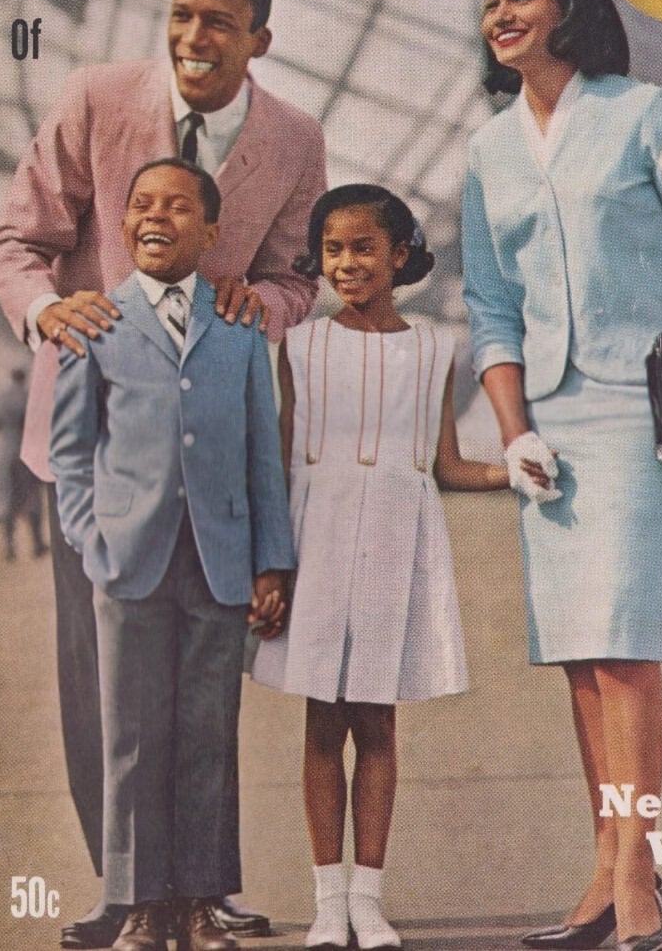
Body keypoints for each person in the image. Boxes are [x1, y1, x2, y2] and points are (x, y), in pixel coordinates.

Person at [0, 0, 325, 948]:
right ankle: (124, 887)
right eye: (182, 15)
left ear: (258, 37)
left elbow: (298, 280)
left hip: (216, 456)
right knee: (105, 683)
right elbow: (17, 243)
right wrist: (54, 312)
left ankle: (201, 888)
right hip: (97, 443)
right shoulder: (94, 100)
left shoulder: (296, 139)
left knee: (201, 692)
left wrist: (255, 301)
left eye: (219, 22)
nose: (193, 37)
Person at [460, 0, 662, 951]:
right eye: (492, 1)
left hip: (635, 405)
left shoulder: (643, 117)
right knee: (580, 658)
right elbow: (488, 307)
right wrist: (514, 432)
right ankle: (603, 871)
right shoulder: (488, 150)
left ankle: (636, 882)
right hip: (550, 423)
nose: (501, 15)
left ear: (567, 8)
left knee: (624, 646)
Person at [253, 184, 509, 951]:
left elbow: (448, 465)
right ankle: (327, 900)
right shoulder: (299, 344)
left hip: (400, 534)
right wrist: (272, 567)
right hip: (318, 535)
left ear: (401, 257)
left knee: (379, 721)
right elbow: (278, 457)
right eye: (333, 249)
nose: (347, 263)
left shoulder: (436, 345)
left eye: (365, 248)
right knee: (322, 723)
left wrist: (517, 471)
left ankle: (370, 897)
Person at [50, 158, 296, 951]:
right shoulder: (95, 322)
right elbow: (71, 454)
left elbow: (265, 453)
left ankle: (198, 898)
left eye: (179, 207)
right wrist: (93, 540)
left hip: (220, 562)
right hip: (128, 561)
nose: (157, 217)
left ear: (213, 232)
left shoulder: (240, 329)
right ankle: (138, 903)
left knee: (206, 733)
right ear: (123, 226)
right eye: (142, 205)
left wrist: (271, 561)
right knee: (130, 735)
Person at [0, 365, 48, 560]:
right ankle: (37, 544)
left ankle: (9, 547)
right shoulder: (30, 397)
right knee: (32, 497)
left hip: (3, 452)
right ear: (24, 378)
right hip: (26, 451)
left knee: (7, 498)